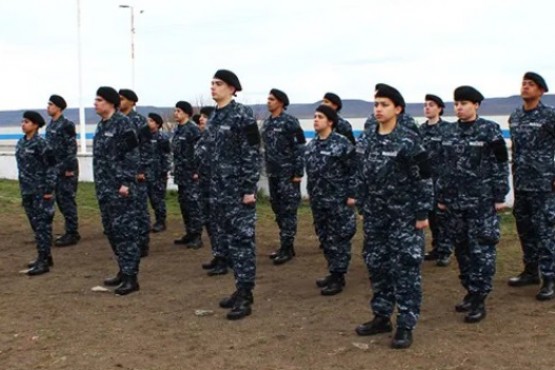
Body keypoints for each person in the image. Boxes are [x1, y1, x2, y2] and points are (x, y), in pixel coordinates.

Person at [354, 84, 432, 349]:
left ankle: (406, 325)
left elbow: (423, 178)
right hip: (376, 217)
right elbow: (360, 176)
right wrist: (362, 206)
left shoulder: (410, 141)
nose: (378, 109)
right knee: (378, 266)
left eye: (384, 104)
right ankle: (381, 316)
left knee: (406, 270)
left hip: (405, 217)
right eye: (376, 104)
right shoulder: (366, 140)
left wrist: (422, 212)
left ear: (398, 109)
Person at [437, 86, 509, 322]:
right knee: (462, 250)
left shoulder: (489, 130)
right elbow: (442, 167)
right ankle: (470, 290)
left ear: (476, 105)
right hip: (455, 203)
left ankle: (480, 297)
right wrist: (441, 197)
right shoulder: (448, 132)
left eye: (465, 103)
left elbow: (500, 163)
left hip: (481, 202)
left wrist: (500, 196)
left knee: (482, 251)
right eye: (457, 103)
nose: (459, 107)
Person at [204, 69, 260, 320]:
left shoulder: (242, 114)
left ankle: (246, 295)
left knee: (242, 243)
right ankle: (239, 288)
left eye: (218, 84)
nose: (213, 87)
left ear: (232, 89)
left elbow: (252, 153)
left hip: (238, 192)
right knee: (227, 242)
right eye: (212, 83)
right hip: (219, 191)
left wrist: (249, 188)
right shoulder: (215, 116)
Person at [508, 72, 555, 300]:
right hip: (521, 182)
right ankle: (530, 271)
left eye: (531, 84)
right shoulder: (515, 116)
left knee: (545, 230)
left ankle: (549, 277)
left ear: (541, 90)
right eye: (524, 83)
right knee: (525, 228)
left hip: (545, 183)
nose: (525, 87)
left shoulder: (550, 116)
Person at [93, 86, 141, 295]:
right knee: (111, 231)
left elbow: (132, 155)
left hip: (120, 188)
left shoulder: (123, 123)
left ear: (111, 103)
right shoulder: (101, 126)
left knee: (125, 233)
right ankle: (123, 269)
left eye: (100, 100)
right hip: (105, 189)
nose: (96, 103)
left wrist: (126, 183)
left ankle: (131, 278)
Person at [305, 105, 356, 296]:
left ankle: (339, 276)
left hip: (338, 201)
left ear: (330, 121)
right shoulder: (312, 145)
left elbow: (353, 170)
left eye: (320, 117)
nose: (316, 120)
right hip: (319, 202)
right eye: (315, 116)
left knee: (339, 239)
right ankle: (333, 271)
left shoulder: (342, 144)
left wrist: (352, 194)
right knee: (325, 238)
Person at [261, 88, 305, 265]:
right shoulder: (267, 122)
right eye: (268, 98)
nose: (268, 101)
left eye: (271, 99)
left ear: (280, 102)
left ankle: (287, 247)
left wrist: (298, 173)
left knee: (288, 210)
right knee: (277, 209)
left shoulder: (290, 122)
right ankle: (285, 245)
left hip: (288, 174)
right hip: (273, 173)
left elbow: (300, 147)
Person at [16, 111, 57, 275]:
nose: (23, 124)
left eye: (26, 122)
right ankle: (45, 256)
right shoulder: (21, 142)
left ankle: (43, 261)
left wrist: (48, 190)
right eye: (22, 121)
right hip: (27, 191)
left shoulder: (42, 144)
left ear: (35, 125)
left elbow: (51, 167)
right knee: (35, 225)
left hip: (41, 191)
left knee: (42, 226)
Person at [420, 94, 452, 266]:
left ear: (439, 108)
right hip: (426, 181)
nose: (427, 108)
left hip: (442, 180)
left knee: (442, 217)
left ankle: (445, 249)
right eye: (425, 105)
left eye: (431, 105)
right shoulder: (421, 130)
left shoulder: (447, 129)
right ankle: (436, 247)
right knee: (431, 216)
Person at [119, 89, 151, 257]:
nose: (119, 101)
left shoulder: (139, 121)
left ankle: (143, 242)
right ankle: (129, 242)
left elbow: (146, 147)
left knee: (139, 209)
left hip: (137, 173)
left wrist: (141, 170)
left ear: (132, 102)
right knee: (125, 210)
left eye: (122, 99)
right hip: (121, 172)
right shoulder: (116, 120)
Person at [197, 106, 229, 275]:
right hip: (204, 185)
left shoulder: (217, 138)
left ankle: (224, 259)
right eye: (200, 117)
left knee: (219, 223)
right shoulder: (203, 137)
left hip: (216, 186)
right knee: (209, 222)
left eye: (205, 117)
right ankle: (217, 254)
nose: (201, 119)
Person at [45, 94, 80, 247]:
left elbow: (71, 147)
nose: (48, 107)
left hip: (66, 169)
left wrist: (69, 169)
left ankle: (72, 233)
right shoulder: (50, 125)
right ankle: (69, 230)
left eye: (51, 104)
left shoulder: (66, 124)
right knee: (59, 200)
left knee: (67, 201)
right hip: (55, 169)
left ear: (59, 107)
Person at [171, 100, 203, 249]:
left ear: (186, 113)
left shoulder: (193, 129)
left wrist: (197, 171)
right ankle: (189, 232)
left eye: (178, 111)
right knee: (184, 205)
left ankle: (197, 236)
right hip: (181, 174)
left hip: (191, 175)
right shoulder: (178, 129)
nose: (175, 113)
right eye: (175, 110)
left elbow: (199, 153)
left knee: (193, 205)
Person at [145, 113, 171, 233]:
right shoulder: (144, 137)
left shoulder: (162, 137)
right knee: (148, 198)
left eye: (150, 121)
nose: (148, 123)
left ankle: (161, 221)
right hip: (146, 173)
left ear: (157, 123)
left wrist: (165, 171)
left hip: (158, 173)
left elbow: (167, 155)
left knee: (158, 198)